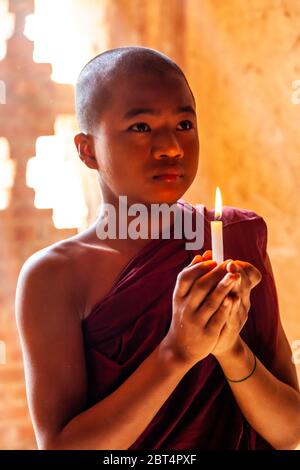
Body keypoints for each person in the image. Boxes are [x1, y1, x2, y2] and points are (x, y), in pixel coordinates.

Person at [15, 46, 300, 450]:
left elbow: (290, 430)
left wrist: (230, 348)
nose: (171, 147)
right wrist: (177, 353)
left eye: (184, 124)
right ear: (88, 150)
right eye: (141, 127)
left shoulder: (236, 238)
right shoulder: (55, 276)